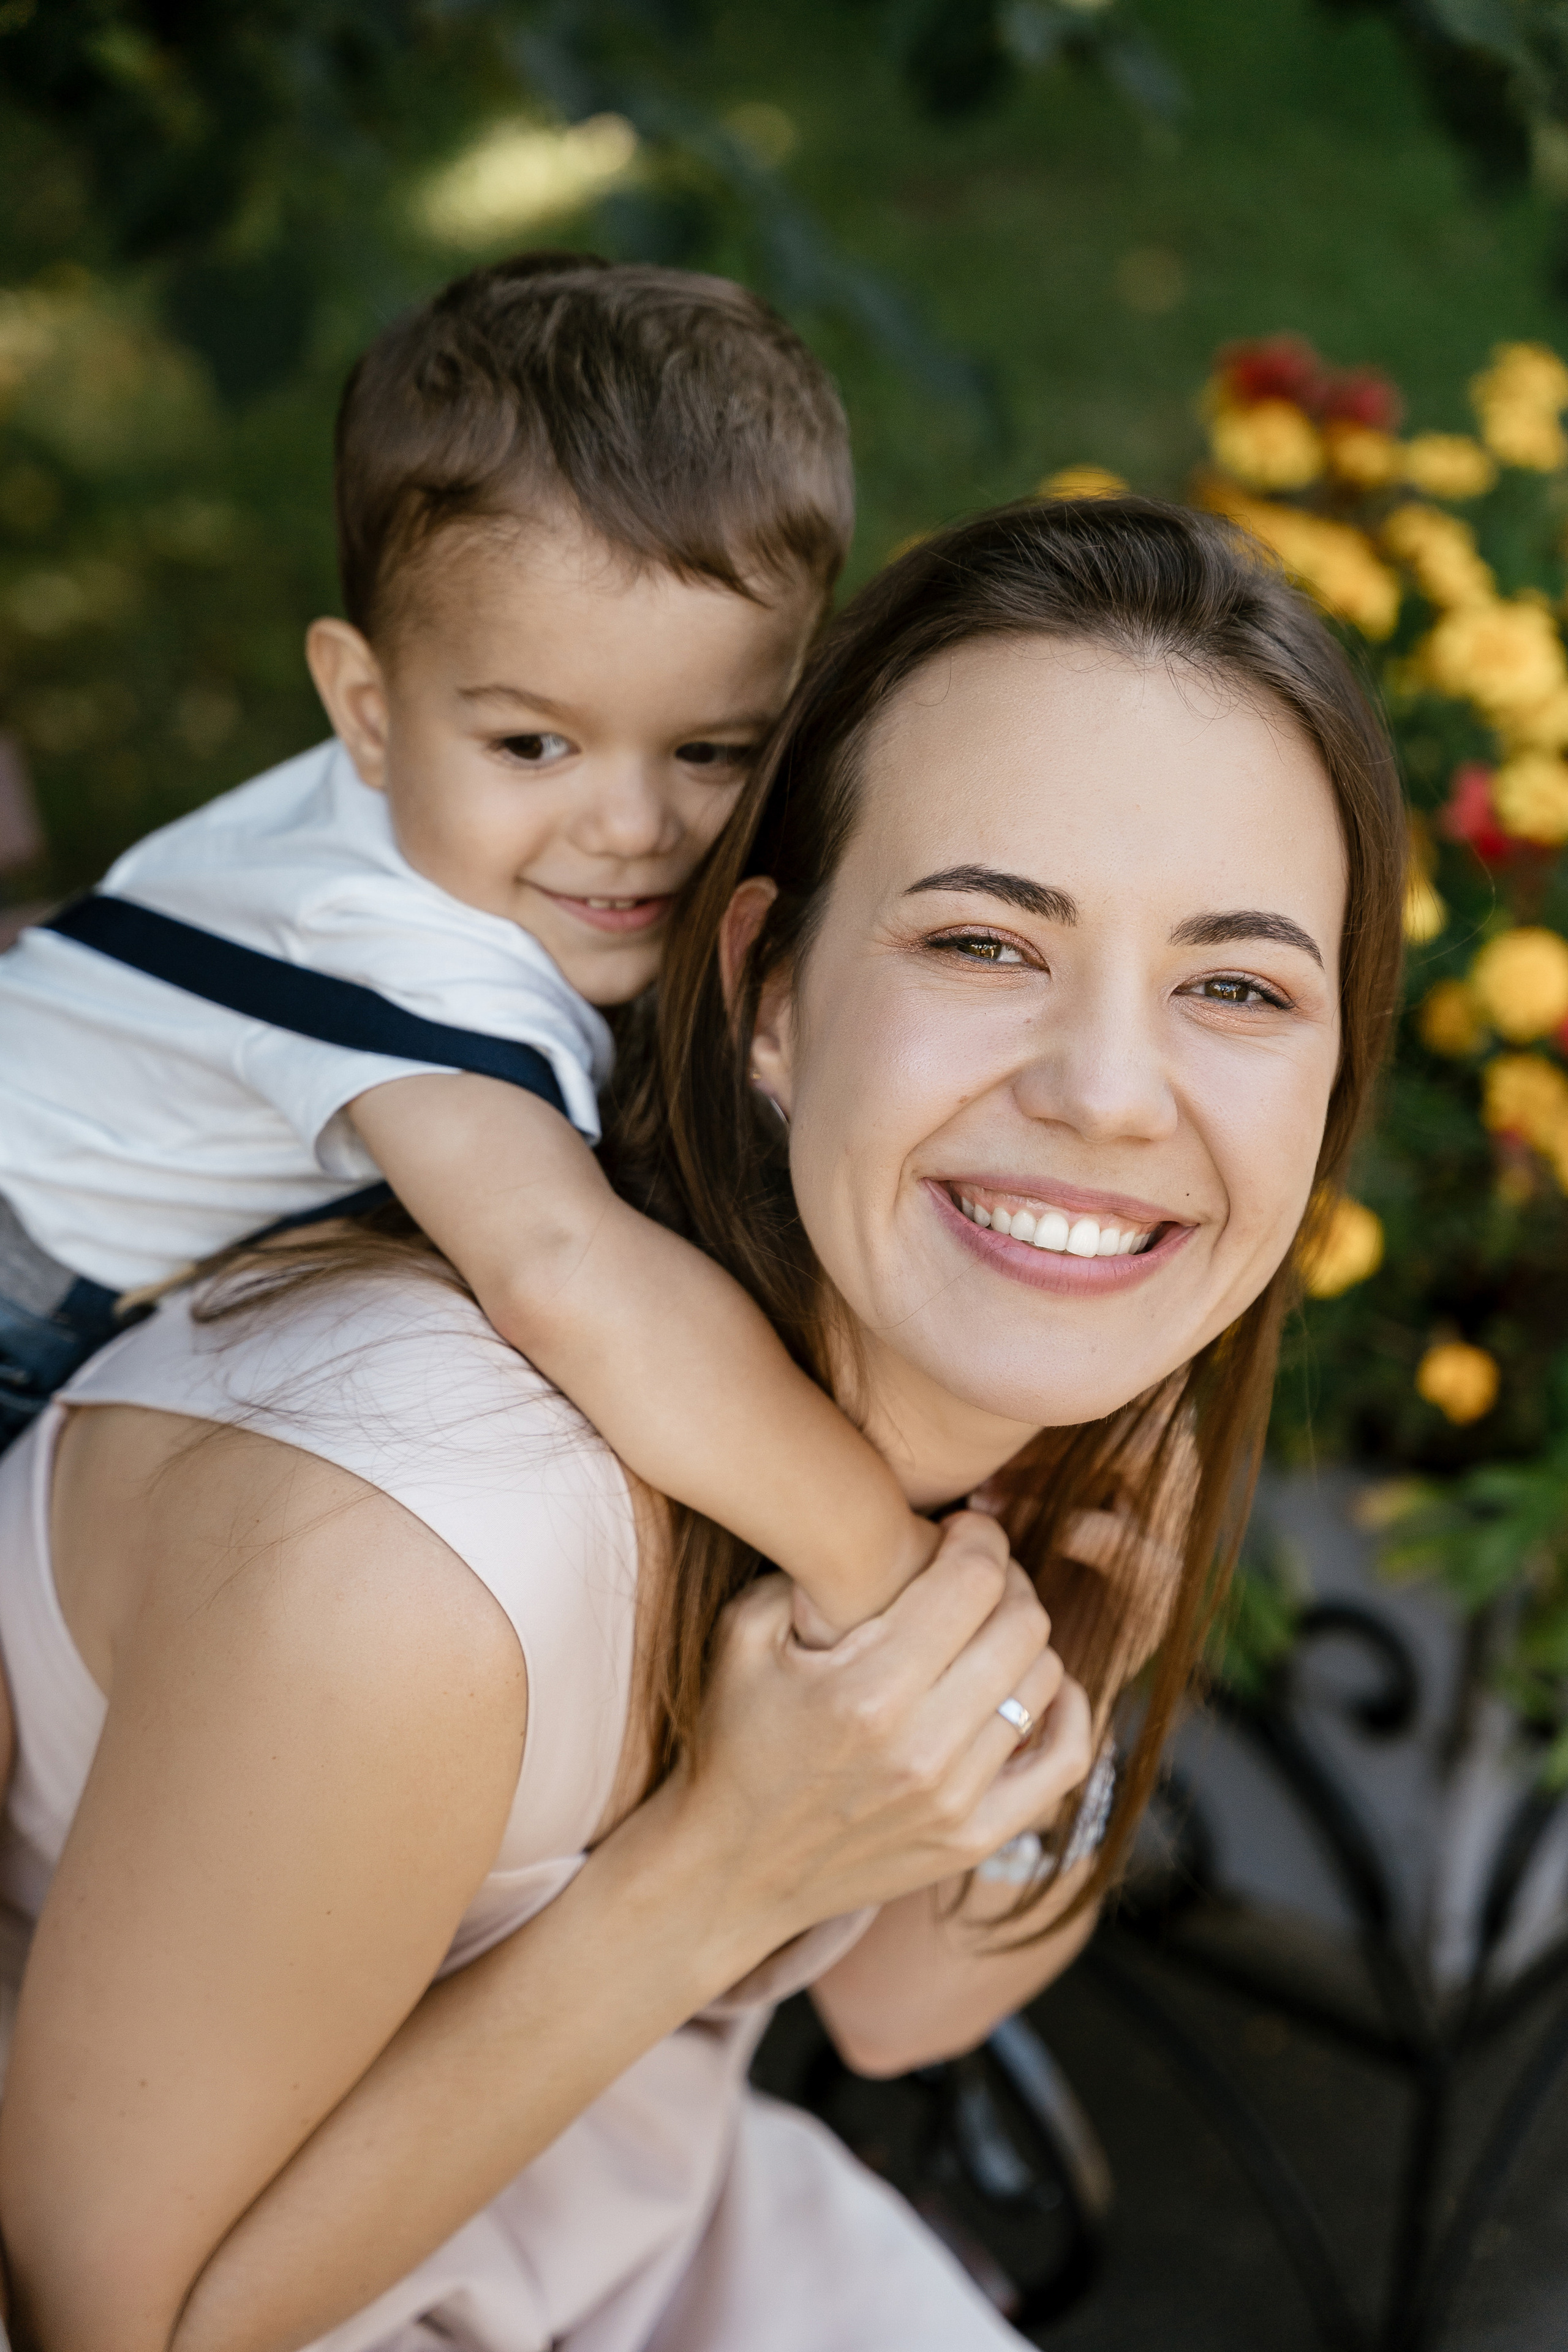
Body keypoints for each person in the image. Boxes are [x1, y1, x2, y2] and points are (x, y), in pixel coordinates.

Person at [0, 497, 1406, 2352]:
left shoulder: (1016, 1422)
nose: (1110, 1092)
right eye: (987, 943)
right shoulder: (409, 1564)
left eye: (1236, 987)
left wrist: (1051, 1674)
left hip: (625, 2240)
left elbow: (905, 2008)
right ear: (764, 993)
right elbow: (116, 2324)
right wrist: (707, 1877)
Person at [0, 249, 936, 1644]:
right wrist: (881, 1563)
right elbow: (565, 1276)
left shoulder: (421, 831)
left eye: (711, 749)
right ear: (365, 708)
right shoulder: (384, 945)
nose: (630, 825)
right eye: (532, 743)